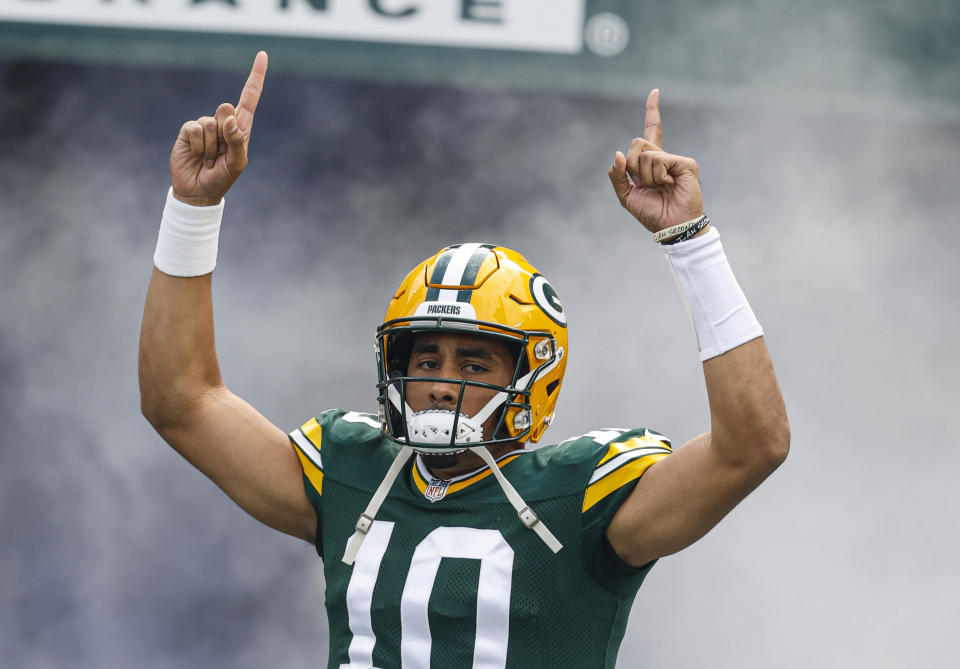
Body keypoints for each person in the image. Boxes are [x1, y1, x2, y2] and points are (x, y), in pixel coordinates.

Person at [139, 51, 789, 668]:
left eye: (475, 365)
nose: (442, 385)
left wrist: (689, 241)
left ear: (532, 377)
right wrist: (193, 208)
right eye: (427, 358)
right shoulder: (355, 473)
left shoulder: (578, 497)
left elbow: (751, 446)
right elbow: (181, 399)